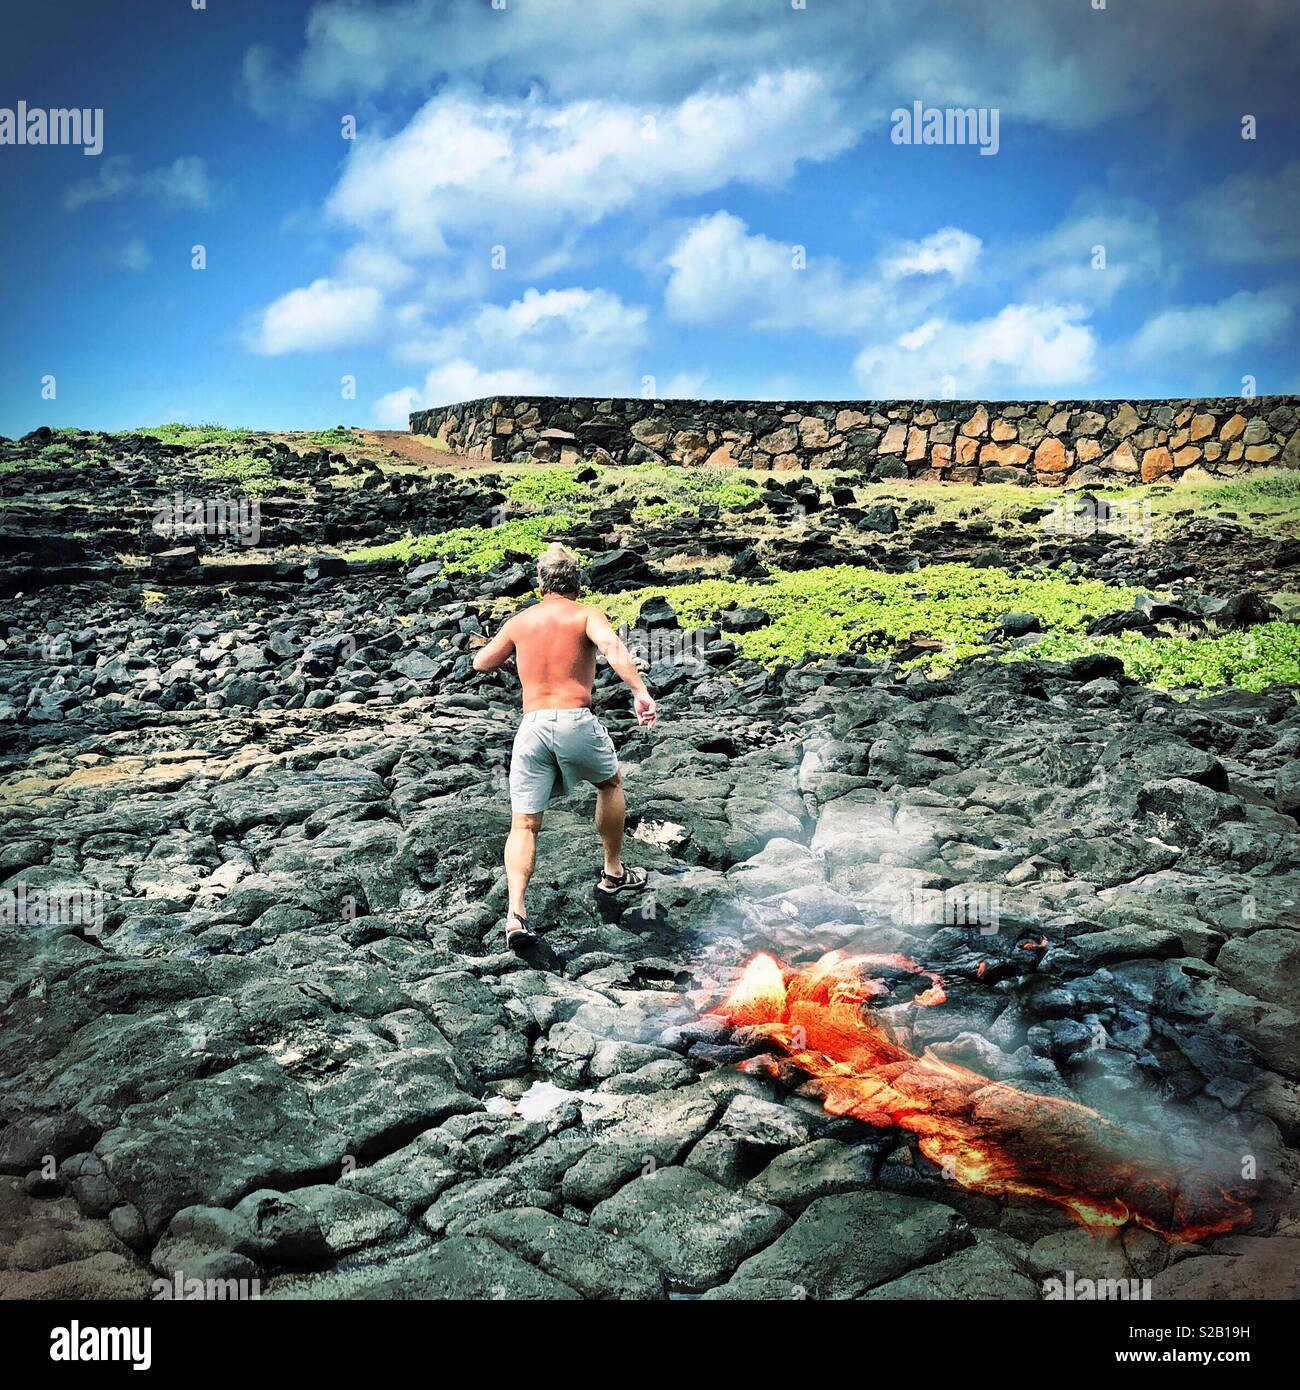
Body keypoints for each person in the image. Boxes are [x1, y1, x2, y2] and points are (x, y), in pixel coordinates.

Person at [471, 543, 657, 950]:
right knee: (609, 784)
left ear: (540, 585)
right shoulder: (586, 614)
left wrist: (510, 660)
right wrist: (639, 691)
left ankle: (515, 914)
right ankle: (612, 871)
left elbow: (480, 662)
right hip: (574, 720)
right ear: (576, 584)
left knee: (523, 824)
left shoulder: (521, 622)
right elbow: (611, 648)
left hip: (532, 726)